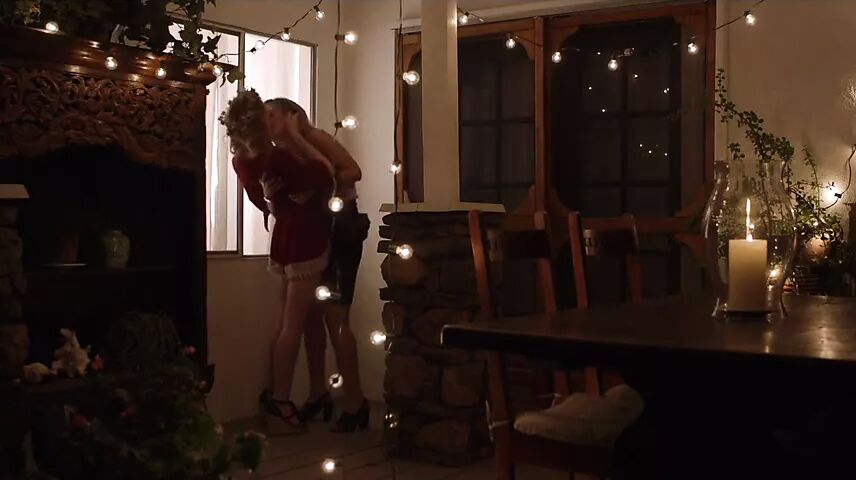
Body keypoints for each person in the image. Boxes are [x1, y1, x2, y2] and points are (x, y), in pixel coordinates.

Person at [220, 90, 334, 435]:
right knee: (292, 325)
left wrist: (276, 202)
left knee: (294, 321)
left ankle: (294, 394)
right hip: (305, 240)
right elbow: (326, 175)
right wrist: (297, 138)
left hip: (284, 239)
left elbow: (263, 201)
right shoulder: (278, 158)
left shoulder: (241, 161)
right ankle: (280, 398)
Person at [264, 98, 370, 433]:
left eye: (273, 114)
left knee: (336, 318)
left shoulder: (315, 138)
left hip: (339, 228)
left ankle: (355, 401)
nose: (267, 121)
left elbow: (354, 171)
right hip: (313, 236)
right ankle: (317, 392)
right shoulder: (278, 154)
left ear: (293, 116)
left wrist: (321, 178)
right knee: (310, 319)